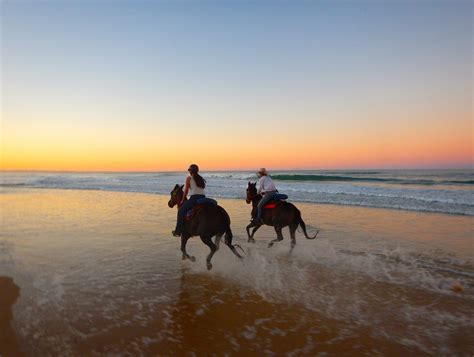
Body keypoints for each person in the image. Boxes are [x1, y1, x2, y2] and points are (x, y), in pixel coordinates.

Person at [172, 164, 206, 237]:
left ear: (191, 171)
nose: (189, 171)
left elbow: (186, 190)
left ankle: (178, 231)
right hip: (203, 198)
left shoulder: (189, 178)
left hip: (195, 198)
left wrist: (183, 199)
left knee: (181, 211)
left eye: (189, 170)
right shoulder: (201, 178)